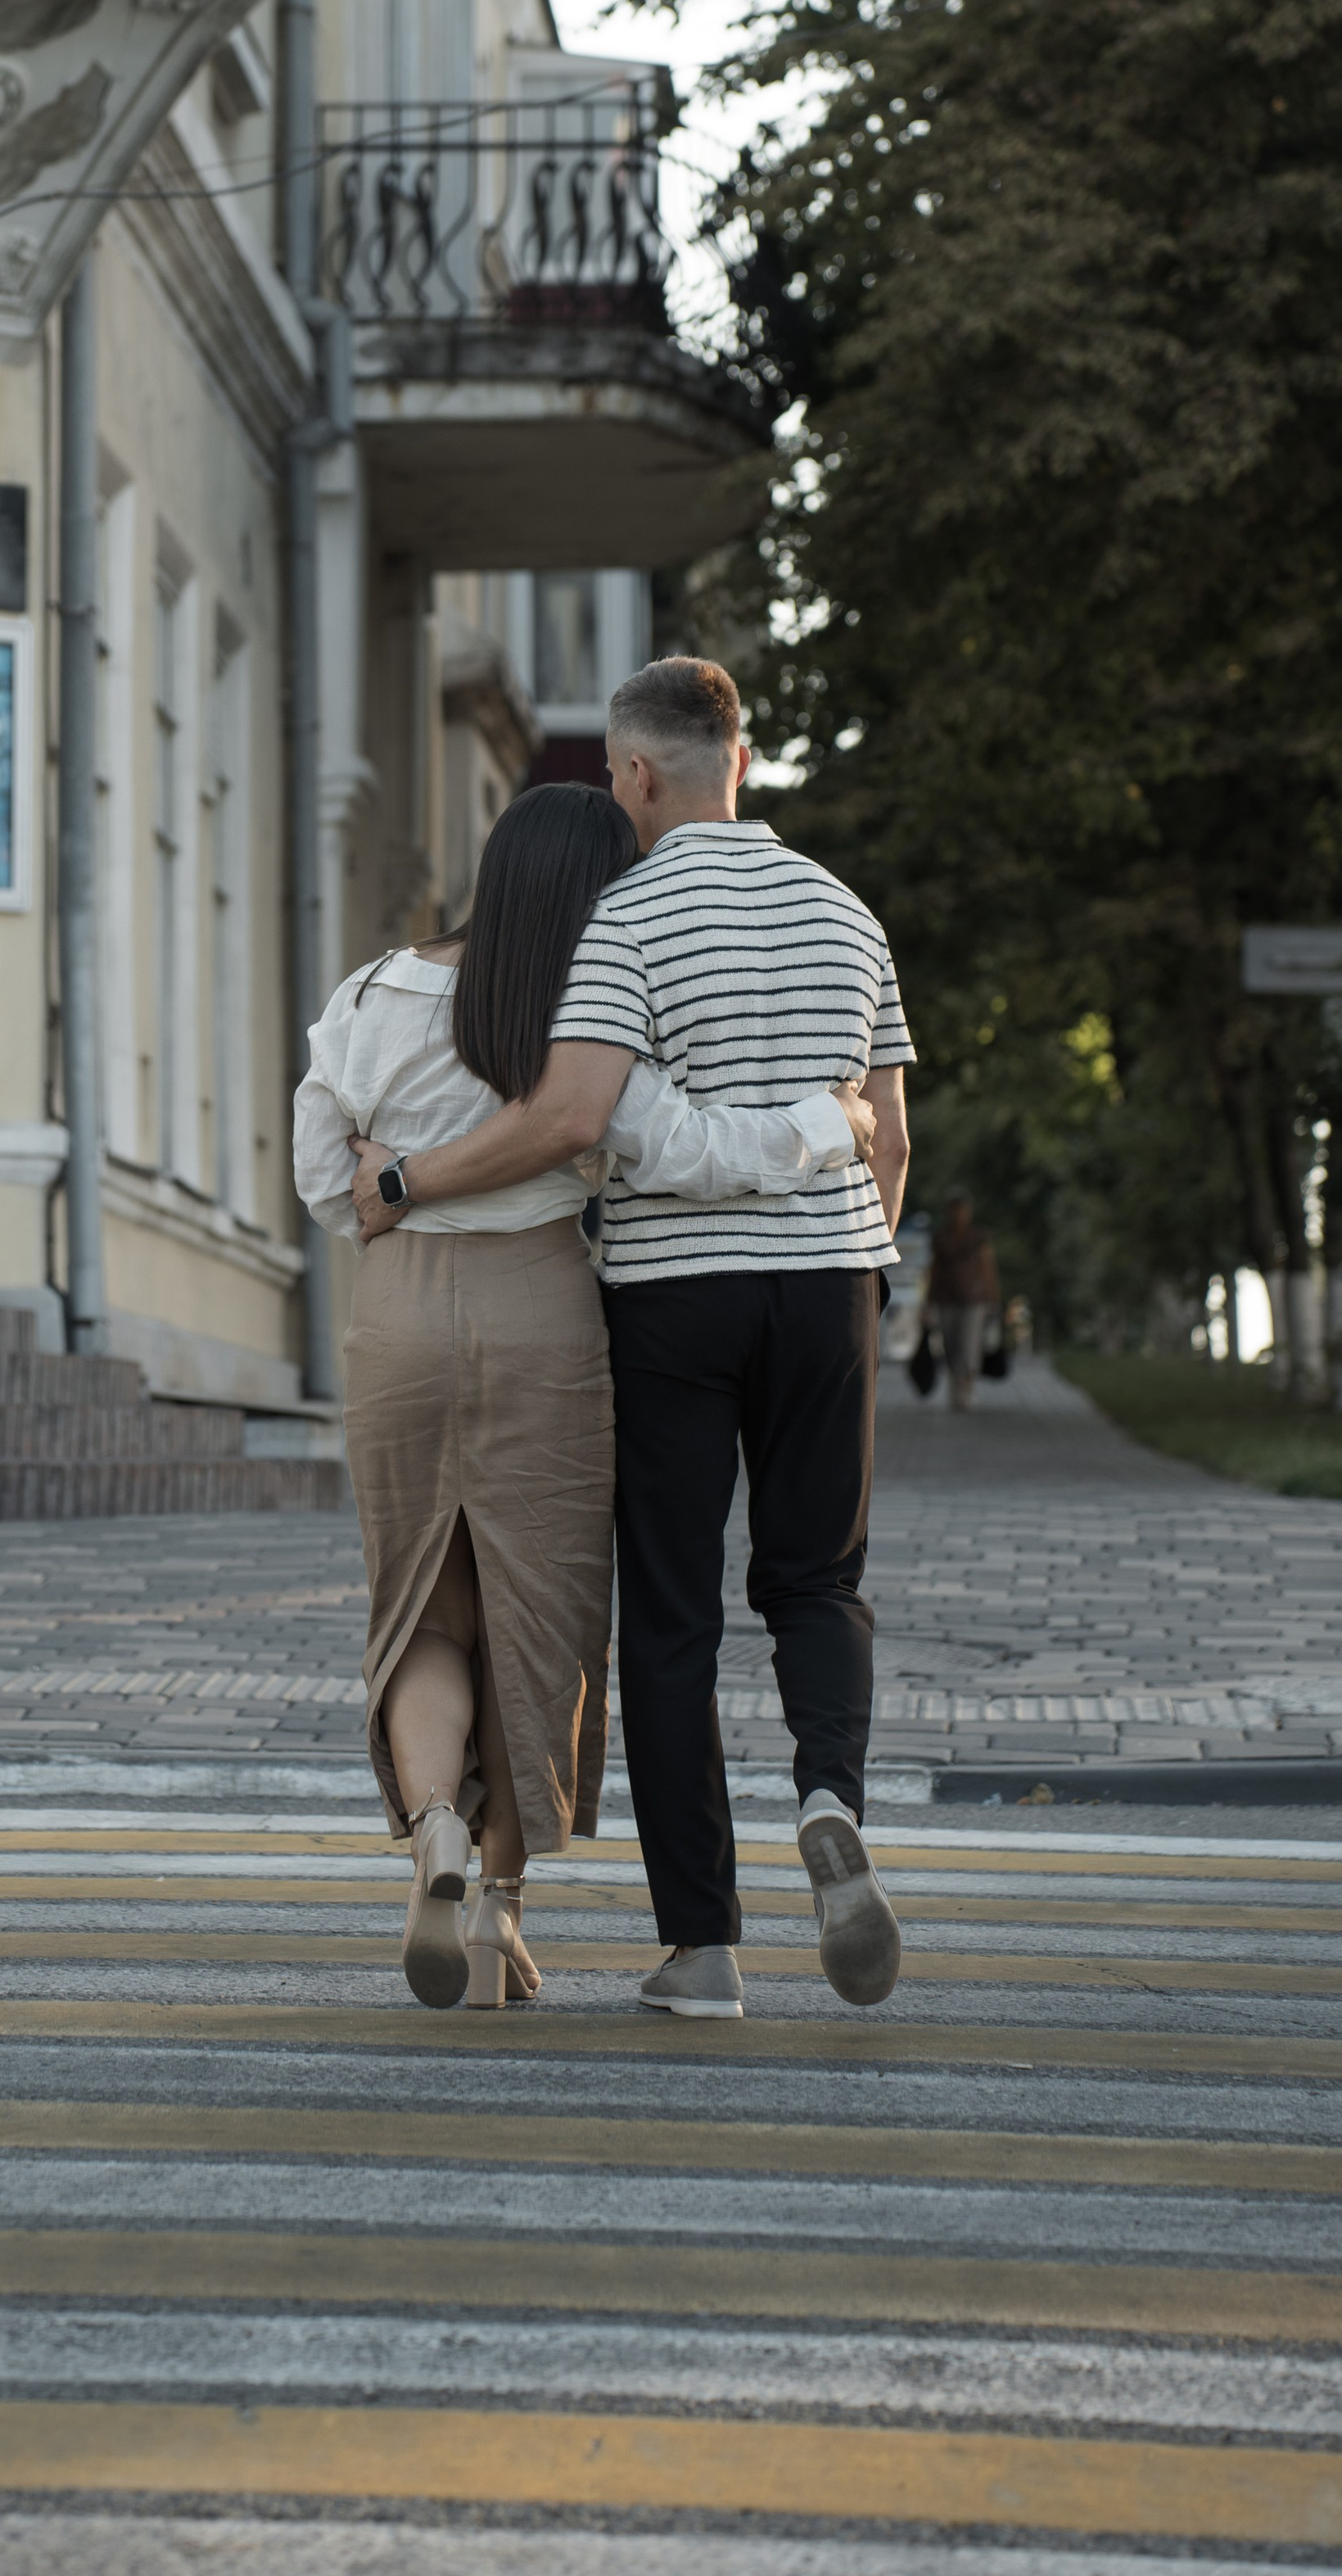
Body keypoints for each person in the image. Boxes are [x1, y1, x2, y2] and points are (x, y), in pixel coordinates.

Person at [351, 659, 914, 2023]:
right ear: (745, 759)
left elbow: (569, 1116)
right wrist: (862, 1271)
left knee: (670, 1618)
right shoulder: (850, 913)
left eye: (612, 772)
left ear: (642, 775)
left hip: (672, 1295)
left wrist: (409, 1182)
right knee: (818, 1581)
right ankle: (830, 1801)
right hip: (829, 1279)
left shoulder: (630, 914)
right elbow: (889, 1132)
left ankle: (703, 1952)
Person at [929, 1191, 1001, 1408]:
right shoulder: (941, 1238)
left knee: (969, 1346)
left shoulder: (978, 1237)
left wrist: (993, 1298)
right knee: (950, 1345)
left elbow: (988, 1268)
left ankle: (966, 1390)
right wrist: (928, 1300)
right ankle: (955, 1387)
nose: (959, 1215)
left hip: (974, 1299)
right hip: (946, 1298)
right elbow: (934, 1270)